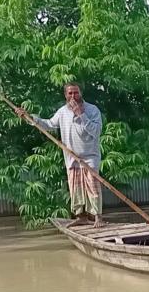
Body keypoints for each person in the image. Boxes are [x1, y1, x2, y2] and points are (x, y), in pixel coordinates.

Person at [15, 83, 104, 227]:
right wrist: (30, 118)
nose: (73, 96)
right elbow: (49, 124)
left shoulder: (92, 110)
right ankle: (80, 216)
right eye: (70, 93)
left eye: (76, 93)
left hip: (89, 156)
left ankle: (98, 217)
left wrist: (81, 115)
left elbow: (95, 132)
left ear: (80, 93)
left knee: (93, 187)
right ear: (65, 95)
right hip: (71, 157)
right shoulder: (63, 112)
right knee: (75, 188)